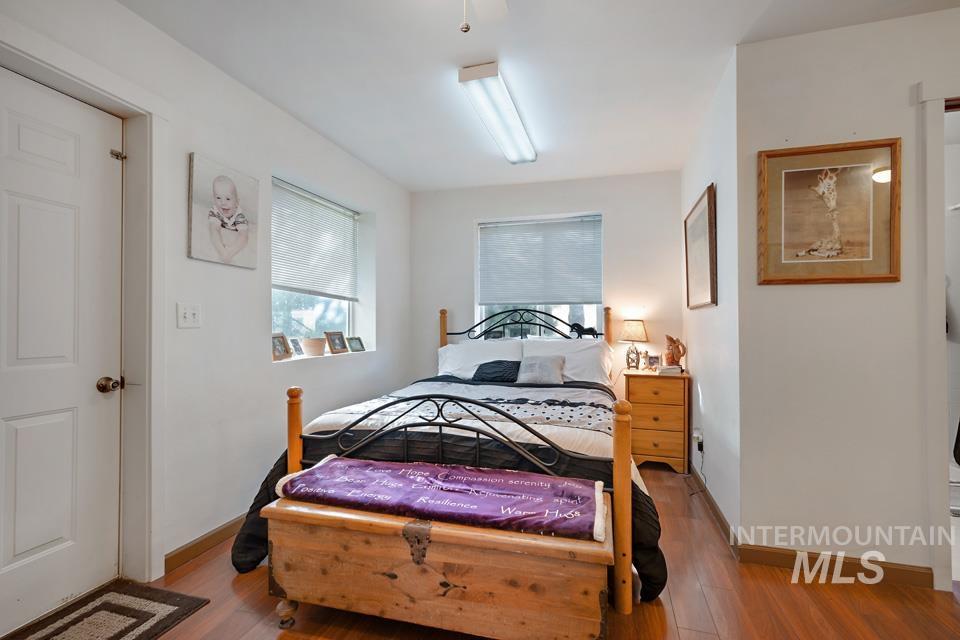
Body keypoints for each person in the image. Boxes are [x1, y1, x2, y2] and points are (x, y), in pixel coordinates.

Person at [208, 175, 249, 263]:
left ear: (237, 202)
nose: (223, 203)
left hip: (236, 226)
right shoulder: (215, 211)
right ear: (213, 199)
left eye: (228, 198)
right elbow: (214, 229)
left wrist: (230, 253)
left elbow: (244, 236)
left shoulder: (239, 215)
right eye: (218, 198)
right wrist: (222, 251)